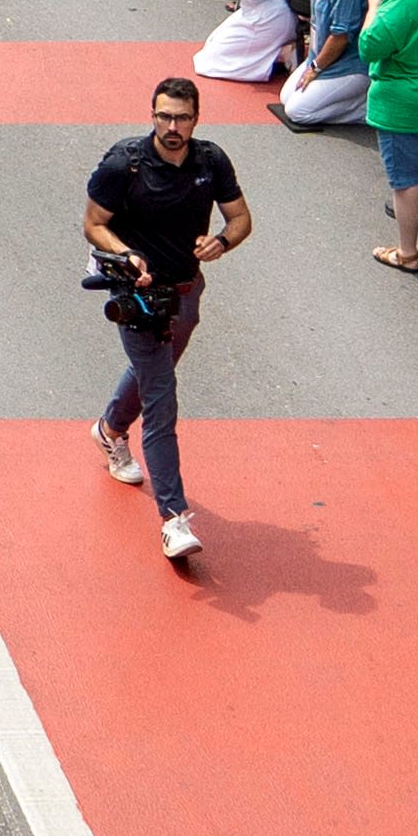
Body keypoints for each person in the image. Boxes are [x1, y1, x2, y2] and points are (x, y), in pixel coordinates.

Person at [84, 75, 252, 566]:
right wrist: (126, 254)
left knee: (152, 374)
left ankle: (110, 428)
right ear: (152, 115)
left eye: (181, 118)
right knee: (162, 398)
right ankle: (173, 518)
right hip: (137, 300)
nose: (172, 127)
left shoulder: (211, 161)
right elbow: (93, 223)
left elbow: (241, 219)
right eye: (163, 117)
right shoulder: (125, 163)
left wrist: (222, 241)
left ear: (196, 119)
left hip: (185, 293)